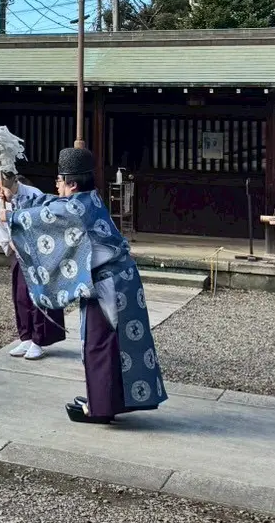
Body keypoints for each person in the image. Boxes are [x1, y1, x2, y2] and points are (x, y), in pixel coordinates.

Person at [9, 147, 167, 425]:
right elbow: (48, 204)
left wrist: (8, 215)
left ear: (71, 183)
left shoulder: (73, 207)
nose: (56, 185)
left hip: (109, 284)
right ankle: (104, 401)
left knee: (100, 344)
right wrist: (14, 197)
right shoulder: (87, 200)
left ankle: (101, 408)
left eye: (59, 180)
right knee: (113, 343)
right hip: (120, 280)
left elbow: (35, 218)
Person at [0, 169, 65, 360]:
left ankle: (38, 340)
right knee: (20, 295)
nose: (1, 189)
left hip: (37, 252)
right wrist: (8, 242)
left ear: (15, 180)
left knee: (37, 296)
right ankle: (25, 336)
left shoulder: (34, 194)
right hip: (17, 251)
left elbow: (40, 221)